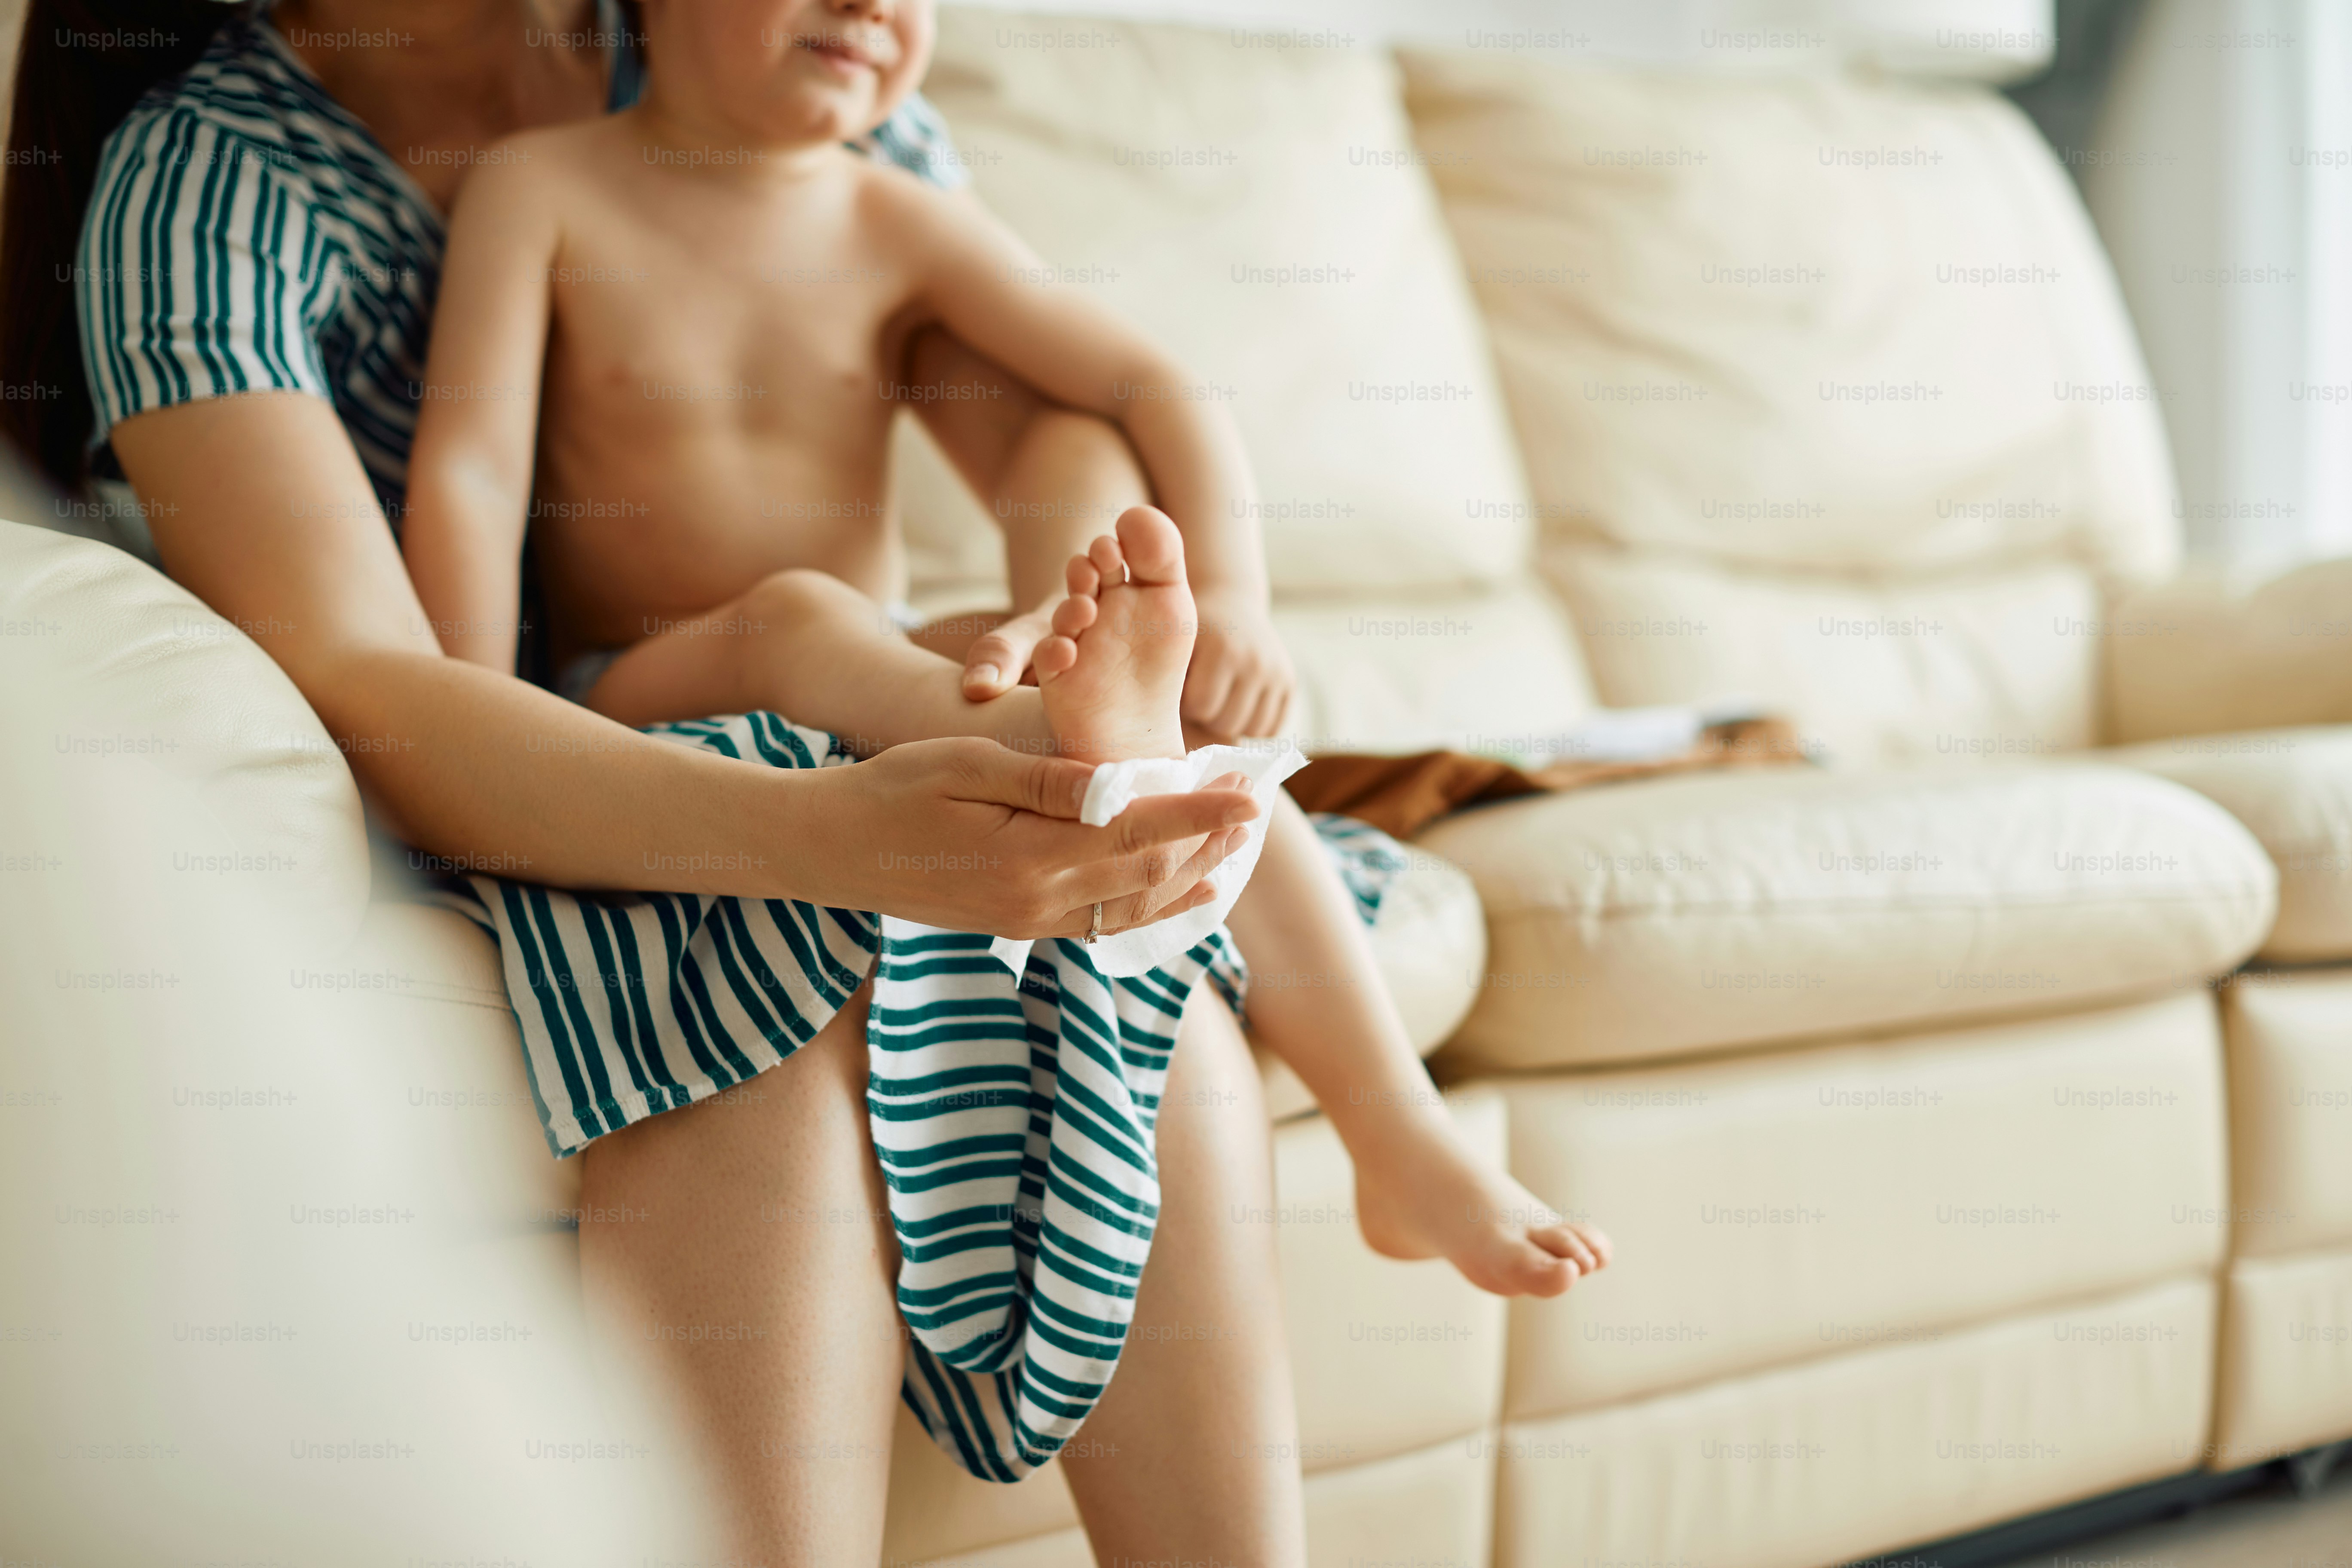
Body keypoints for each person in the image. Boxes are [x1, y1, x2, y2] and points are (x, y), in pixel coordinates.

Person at [3, 0, 1305, 1559]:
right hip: (516, 757)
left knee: (1134, 941)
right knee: (754, 970)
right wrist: (826, 839)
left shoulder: (751, 49)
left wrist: (1064, 616)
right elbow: (382, 692)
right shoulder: (212, 185)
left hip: (832, 696)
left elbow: (1053, 413)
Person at [397, 0, 1613, 1310]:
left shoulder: (890, 214)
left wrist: (1239, 601)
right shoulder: (545, 191)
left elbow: (1152, 385)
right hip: (632, 693)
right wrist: (471, 714)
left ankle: (1399, 1134)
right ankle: (1055, 741)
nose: (874, 8)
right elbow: (471, 466)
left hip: (872, 680)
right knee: (808, 611)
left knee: (1155, 728)